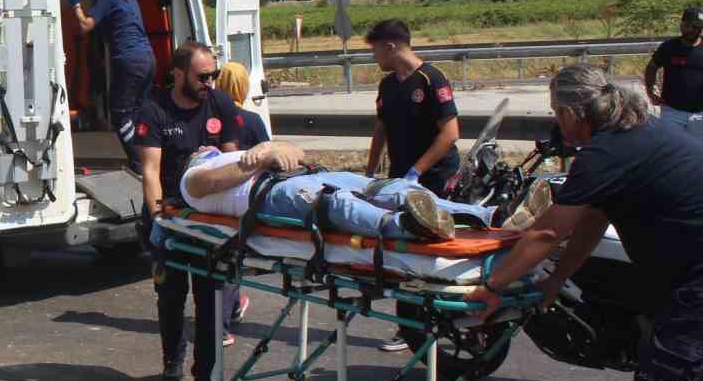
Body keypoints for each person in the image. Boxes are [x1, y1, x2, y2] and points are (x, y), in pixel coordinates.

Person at [463, 64, 703, 381]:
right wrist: (556, 281)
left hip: (695, 286)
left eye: (556, 112)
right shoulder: (642, 133)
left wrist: (493, 285)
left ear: (574, 112)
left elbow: (548, 231)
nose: (556, 122)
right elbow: (591, 220)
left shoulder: (607, 152)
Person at [135, 43, 240, 381]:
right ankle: (172, 360)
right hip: (172, 217)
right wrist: (159, 219)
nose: (209, 82)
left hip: (210, 222)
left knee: (210, 303)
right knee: (171, 297)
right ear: (178, 74)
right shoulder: (155, 110)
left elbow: (234, 163)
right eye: (202, 76)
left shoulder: (220, 104)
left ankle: (204, 378)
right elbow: (150, 172)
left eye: (214, 74)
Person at [178, 141, 551, 241]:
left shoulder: (241, 153)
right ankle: (408, 227)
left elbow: (295, 152)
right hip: (268, 194)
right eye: (201, 149)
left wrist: (276, 149)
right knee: (335, 203)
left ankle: (494, 217)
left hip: (298, 174)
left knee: (387, 186)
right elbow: (213, 183)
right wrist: (262, 158)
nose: (204, 147)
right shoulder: (193, 179)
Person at [364, 18, 461, 351]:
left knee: (429, 251)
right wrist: (370, 172)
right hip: (401, 179)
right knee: (403, 250)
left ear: (391, 46)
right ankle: (410, 325)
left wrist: (417, 172)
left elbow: (450, 134)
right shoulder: (388, 85)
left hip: (433, 178)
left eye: (376, 49)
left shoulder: (432, 79)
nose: (374, 57)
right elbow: (381, 129)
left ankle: (432, 321)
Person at [70, 0, 157, 174]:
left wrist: (75, 3)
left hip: (130, 61)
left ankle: (139, 164)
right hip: (147, 59)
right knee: (137, 112)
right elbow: (107, 8)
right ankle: (150, 159)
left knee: (119, 114)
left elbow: (85, 25)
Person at [213, 62, 271, 343]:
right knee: (231, 259)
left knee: (222, 257)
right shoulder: (252, 120)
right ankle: (224, 324)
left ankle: (232, 308)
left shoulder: (212, 116)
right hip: (246, 199)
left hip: (217, 197)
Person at [644, 5, 703, 141]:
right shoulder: (668, 47)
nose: (695, 31)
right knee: (671, 151)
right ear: (682, 24)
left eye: (699, 28)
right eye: (692, 26)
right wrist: (651, 91)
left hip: (701, 114)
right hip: (672, 112)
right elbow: (651, 68)